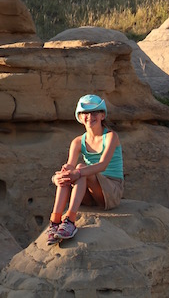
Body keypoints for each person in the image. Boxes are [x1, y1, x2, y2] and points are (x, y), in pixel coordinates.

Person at [46, 94, 124, 245]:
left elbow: (102, 165)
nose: (90, 117)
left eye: (95, 112)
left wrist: (77, 172)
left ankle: (70, 220)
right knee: (68, 173)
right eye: (85, 113)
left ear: (102, 115)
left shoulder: (110, 137)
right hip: (90, 191)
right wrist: (59, 177)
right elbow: (70, 165)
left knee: (81, 168)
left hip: (111, 190)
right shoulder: (77, 142)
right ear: (80, 117)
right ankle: (55, 222)